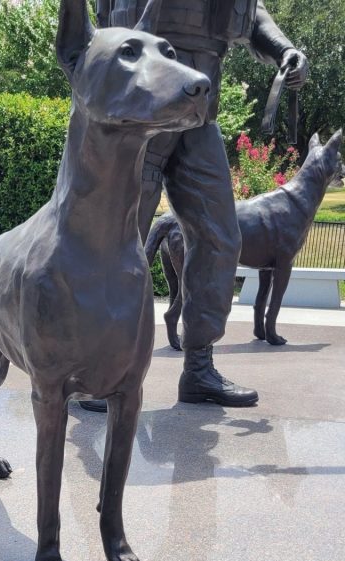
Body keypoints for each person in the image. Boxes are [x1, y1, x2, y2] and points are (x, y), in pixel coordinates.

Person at [81, 0, 308, 411]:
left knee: (221, 236)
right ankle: (98, 368)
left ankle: (199, 367)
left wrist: (284, 50)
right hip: (139, 114)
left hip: (199, 118)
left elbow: (250, 15)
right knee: (118, 246)